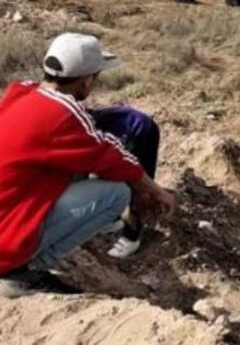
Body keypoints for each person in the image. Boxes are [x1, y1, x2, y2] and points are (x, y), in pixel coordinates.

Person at [0, 33, 175, 298]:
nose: (95, 84)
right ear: (84, 81)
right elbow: (111, 156)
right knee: (116, 193)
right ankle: (22, 273)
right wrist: (155, 191)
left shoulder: (19, 93)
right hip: (6, 242)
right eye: (95, 77)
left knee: (72, 168)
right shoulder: (63, 115)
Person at [89, 106, 161, 258]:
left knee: (137, 187)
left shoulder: (80, 125)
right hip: (115, 136)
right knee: (101, 177)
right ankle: (112, 219)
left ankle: (131, 237)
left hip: (139, 131)